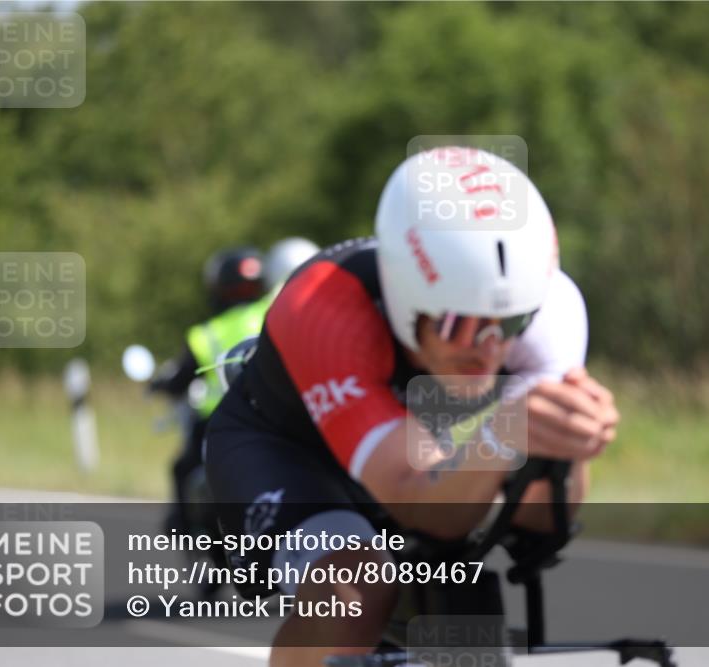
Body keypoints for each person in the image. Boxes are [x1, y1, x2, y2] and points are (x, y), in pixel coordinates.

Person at [204, 147, 619, 666]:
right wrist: (506, 435)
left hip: (409, 445)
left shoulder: (551, 310)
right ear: (404, 293)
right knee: (356, 591)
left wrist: (569, 448)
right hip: (287, 449)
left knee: (460, 588)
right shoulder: (325, 307)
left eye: (509, 324)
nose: (487, 347)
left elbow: (541, 518)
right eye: (457, 324)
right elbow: (422, 502)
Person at [150, 241, 319, 539]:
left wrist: (159, 383)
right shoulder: (278, 307)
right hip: (280, 412)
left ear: (217, 287)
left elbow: (179, 378)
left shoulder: (205, 334)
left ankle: (186, 529)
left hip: (219, 420)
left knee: (181, 468)